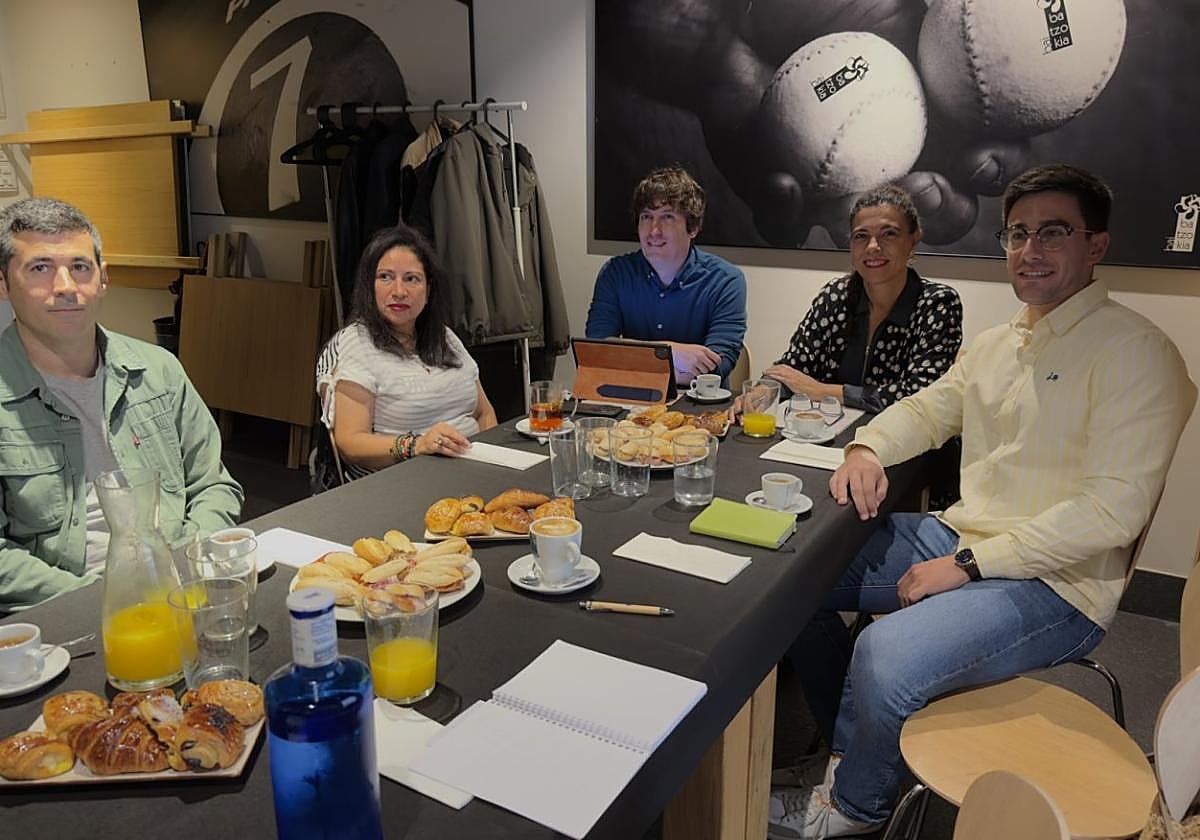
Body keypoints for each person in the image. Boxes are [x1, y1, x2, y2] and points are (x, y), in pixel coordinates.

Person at [768, 164, 1197, 839]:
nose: (1030, 251)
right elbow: (928, 409)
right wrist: (867, 450)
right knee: (793, 574)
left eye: (1053, 232)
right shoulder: (1001, 343)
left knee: (885, 653)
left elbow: (1111, 514)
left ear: (1097, 245)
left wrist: (969, 563)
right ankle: (854, 751)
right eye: (1018, 233)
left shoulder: (1139, 354)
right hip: (962, 537)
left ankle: (855, 809)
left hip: (1058, 584)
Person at [0, 197, 243, 612]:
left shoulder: (158, 370)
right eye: (40, 268)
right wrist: (103, 597)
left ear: (102, 279)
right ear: (4, 285)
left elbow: (213, 485)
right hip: (65, 611)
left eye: (80, 267)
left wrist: (189, 561)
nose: (65, 286)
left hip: (183, 587)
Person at [734, 184, 962, 417]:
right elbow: (795, 367)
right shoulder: (835, 296)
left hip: (902, 445)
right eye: (861, 237)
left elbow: (922, 395)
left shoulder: (938, 303)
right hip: (826, 437)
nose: (873, 247)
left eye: (889, 234)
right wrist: (763, 391)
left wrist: (823, 391)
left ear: (914, 239)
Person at [324, 224, 497, 478]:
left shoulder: (445, 337)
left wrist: (492, 461)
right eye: (385, 277)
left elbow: (484, 412)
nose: (399, 291)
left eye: (411, 278)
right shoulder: (357, 344)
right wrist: (417, 445)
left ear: (428, 290)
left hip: (473, 467)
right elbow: (349, 442)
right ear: (369, 287)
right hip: (407, 478)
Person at [585, 166, 747, 385]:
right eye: (646, 216)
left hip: (701, 409)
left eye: (667, 217)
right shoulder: (615, 273)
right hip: (631, 405)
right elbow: (596, 354)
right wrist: (671, 353)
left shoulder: (726, 280)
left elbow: (714, 371)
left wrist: (628, 361)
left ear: (693, 228)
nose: (653, 230)